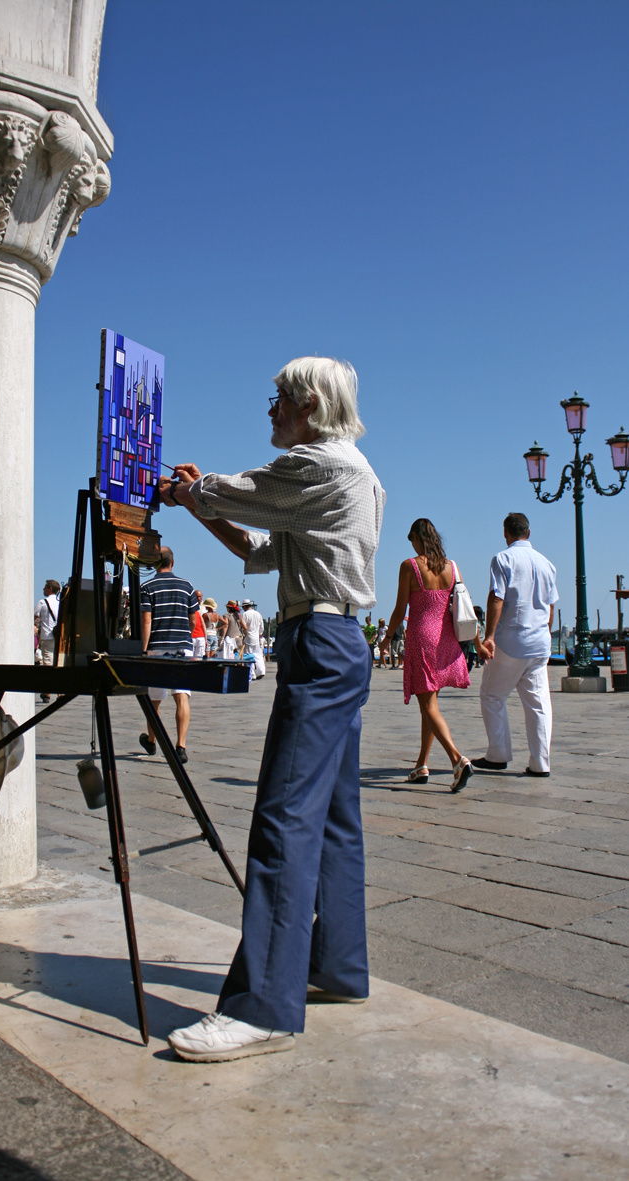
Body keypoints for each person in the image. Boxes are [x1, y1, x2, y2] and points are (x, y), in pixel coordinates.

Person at [158, 355, 384, 1062]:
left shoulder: (318, 466)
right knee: (335, 816)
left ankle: (262, 1003)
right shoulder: (355, 472)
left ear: (308, 403)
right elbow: (258, 547)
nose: (269, 411)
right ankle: (335, 963)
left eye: (276, 399)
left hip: (317, 641)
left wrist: (190, 489)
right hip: (338, 639)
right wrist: (203, 504)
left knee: (284, 813)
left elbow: (240, 491)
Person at [379, 519, 472, 791]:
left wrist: (386, 639)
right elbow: (464, 605)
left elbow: (399, 610)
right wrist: (477, 642)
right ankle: (421, 764)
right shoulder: (452, 567)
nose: (411, 545)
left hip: (422, 639)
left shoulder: (410, 566)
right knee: (428, 707)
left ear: (418, 538)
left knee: (428, 706)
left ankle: (458, 760)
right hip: (446, 640)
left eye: (411, 540)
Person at [473, 513, 558, 777]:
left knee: (492, 695)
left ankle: (498, 754)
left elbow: (497, 598)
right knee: (538, 703)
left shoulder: (503, 559)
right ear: (528, 533)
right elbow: (551, 606)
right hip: (540, 642)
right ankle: (540, 762)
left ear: (505, 533)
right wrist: (546, 632)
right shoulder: (548, 564)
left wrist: (489, 636)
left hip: (511, 641)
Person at [139, 546, 199, 764]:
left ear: (155, 564)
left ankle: (152, 740)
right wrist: (185, 635)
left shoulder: (147, 586)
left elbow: (146, 621)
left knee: (154, 698)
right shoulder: (187, 586)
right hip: (182, 646)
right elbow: (193, 619)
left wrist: (144, 649)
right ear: (173, 563)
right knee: (181, 696)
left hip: (157, 645)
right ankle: (180, 746)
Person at [34, 580, 61, 703]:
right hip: (59, 637)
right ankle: (59, 691)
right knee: (58, 664)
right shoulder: (61, 602)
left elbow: (33, 617)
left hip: (46, 637)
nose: (43, 590)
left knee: (48, 664)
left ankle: (48, 692)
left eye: (45, 587)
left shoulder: (42, 602)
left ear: (50, 588)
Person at [241, 598, 266, 679]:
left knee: (249, 656)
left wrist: (243, 635)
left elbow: (244, 627)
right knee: (258, 655)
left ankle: (252, 674)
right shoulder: (258, 614)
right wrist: (259, 635)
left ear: (244, 607)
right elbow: (261, 627)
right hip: (256, 638)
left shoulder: (245, 614)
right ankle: (261, 671)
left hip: (248, 637)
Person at [191, 589, 208, 658]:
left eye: (200, 597)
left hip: (199, 636)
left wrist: (205, 638)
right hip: (196, 636)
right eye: (197, 597)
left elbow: (203, 625)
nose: (198, 598)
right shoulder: (196, 610)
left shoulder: (203, 608)